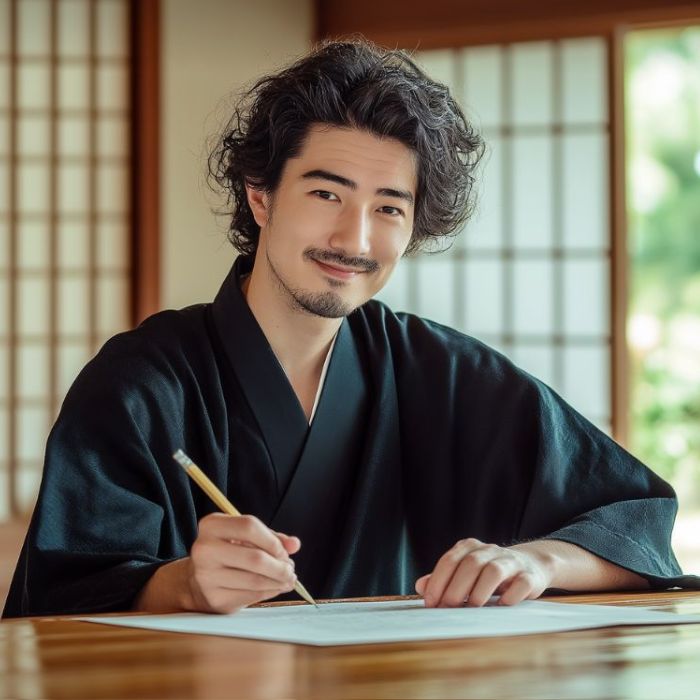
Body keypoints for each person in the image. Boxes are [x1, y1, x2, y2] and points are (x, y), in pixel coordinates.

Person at [3, 40, 697, 619]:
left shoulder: (438, 372)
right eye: (326, 193)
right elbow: (60, 599)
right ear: (261, 195)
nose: (354, 238)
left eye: (389, 208)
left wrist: (532, 560)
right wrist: (185, 583)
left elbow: (633, 520)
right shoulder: (140, 382)